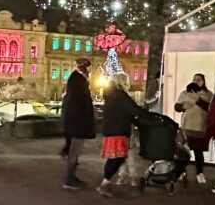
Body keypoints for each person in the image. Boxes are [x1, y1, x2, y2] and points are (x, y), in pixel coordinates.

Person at [98, 73, 152, 197]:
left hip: (111, 130)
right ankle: (104, 184)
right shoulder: (120, 95)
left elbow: (126, 112)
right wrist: (150, 117)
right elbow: (133, 109)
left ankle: (105, 183)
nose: (128, 83)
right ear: (122, 82)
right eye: (127, 81)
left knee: (115, 158)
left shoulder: (111, 95)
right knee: (117, 158)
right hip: (118, 130)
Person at [62, 57, 96, 190]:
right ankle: (69, 180)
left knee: (74, 151)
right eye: (89, 68)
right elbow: (80, 103)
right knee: (74, 152)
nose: (90, 71)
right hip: (77, 123)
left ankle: (72, 177)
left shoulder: (76, 79)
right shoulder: (78, 80)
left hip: (75, 123)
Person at [174, 76, 213, 184]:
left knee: (198, 152)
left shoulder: (208, 94)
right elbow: (177, 107)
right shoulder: (185, 93)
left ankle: (199, 173)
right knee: (182, 151)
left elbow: (210, 108)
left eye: (198, 79)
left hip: (200, 127)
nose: (196, 81)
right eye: (194, 79)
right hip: (186, 126)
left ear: (203, 81)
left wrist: (198, 100)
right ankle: (181, 172)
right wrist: (182, 106)